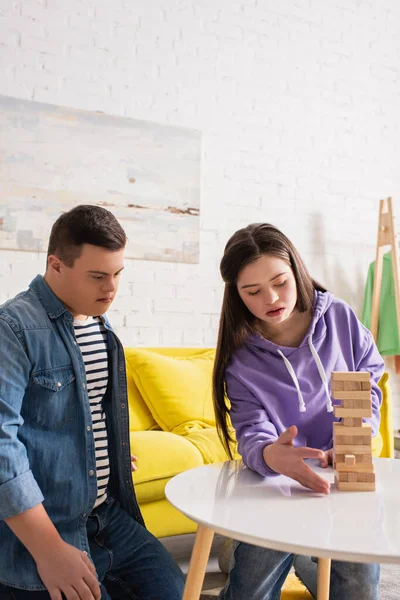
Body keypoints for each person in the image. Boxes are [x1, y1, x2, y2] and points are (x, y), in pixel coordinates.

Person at [0, 205, 184, 600]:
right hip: (46, 527)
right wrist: (49, 550)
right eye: (98, 276)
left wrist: (105, 451)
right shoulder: (13, 328)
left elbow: (87, 412)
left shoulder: (98, 323)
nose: (111, 288)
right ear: (56, 265)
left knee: (174, 589)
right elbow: (2, 447)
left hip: (104, 514)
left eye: (118, 274)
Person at [212, 223, 383, 600]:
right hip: (279, 480)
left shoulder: (339, 316)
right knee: (250, 587)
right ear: (236, 295)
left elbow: (368, 377)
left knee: (358, 585)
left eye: (280, 282)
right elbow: (251, 428)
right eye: (252, 291)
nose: (271, 298)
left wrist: (356, 434)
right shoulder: (240, 359)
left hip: (344, 471)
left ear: (298, 271)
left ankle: (306, 554)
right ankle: (265, 549)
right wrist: (270, 454)